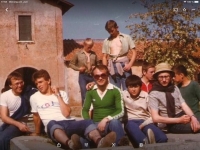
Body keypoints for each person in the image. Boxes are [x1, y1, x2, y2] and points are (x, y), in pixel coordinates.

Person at [30, 69, 116, 150]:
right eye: (36, 83)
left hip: (69, 123)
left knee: (88, 122)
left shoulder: (62, 93)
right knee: (52, 123)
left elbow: (66, 113)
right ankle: (70, 144)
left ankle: (100, 142)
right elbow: (36, 116)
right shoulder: (34, 97)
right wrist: (37, 132)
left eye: (40, 82)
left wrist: (58, 95)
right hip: (53, 126)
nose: (39, 85)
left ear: (48, 81)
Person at [82, 64, 128, 147]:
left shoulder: (115, 90)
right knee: (82, 137)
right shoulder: (90, 91)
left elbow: (120, 110)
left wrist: (106, 119)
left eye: (103, 75)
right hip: (95, 124)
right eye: (97, 76)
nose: (100, 78)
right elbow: (85, 110)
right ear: (93, 77)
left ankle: (121, 147)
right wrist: (89, 123)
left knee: (115, 122)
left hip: (110, 124)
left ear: (107, 75)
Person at [148, 62, 200, 133]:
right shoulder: (153, 93)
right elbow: (155, 118)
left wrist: (193, 117)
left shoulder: (174, 88)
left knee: (197, 122)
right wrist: (179, 120)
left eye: (166, 76)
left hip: (183, 116)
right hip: (171, 122)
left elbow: (183, 104)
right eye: (161, 77)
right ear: (157, 77)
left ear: (170, 77)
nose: (164, 80)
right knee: (197, 127)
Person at [123, 74, 167, 148]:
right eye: (131, 87)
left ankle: (149, 141)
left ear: (140, 86)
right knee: (140, 138)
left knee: (162, 138)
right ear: (127, 87)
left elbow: (153, 114)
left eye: (136, 86)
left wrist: (144, 124)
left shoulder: (146, 96)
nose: (133, 89)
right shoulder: (123, 94)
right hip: (131, 121)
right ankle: (145, 144)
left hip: (144, 121)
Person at [0, 71, 37, 150]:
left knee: (3, 139)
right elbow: (4, 117)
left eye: (21, 82)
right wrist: (18, 124)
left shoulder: (27, 92)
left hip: (20, 124)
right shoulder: (4, 96)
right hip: (9, 123)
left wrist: (19, 125)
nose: (20, 85)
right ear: (10, 85)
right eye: (16, 84)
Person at [102, 20, 137, 90]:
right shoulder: (106, 41)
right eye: (109, 31)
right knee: (114, 91)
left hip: (125, 65)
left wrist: (130, 64)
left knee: (128, 90)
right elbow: (104, 57)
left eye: (112, 30)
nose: (111, 33)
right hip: (112, 67)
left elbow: (134, 52)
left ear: (117, 27)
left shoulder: (126, 37)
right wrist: (105, 69)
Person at [69, 38, 98, 105]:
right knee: (84, 94)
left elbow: (98, 64)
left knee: (94, 93)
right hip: (83, 76)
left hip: (92, 76)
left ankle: (94, 112)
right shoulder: (78, 54)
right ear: (84, 45)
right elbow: (71, 64)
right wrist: (79, 69)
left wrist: (95, 67)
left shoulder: (94, 54)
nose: (90, 48)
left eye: (91, 47)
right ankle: (85, 112)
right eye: (88, 47)